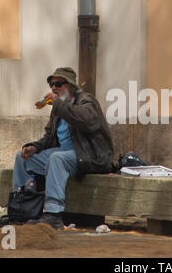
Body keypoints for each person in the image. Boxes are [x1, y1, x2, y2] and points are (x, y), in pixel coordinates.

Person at [12, 67, 114, 229]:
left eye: (58, 84)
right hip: (65, 154)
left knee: (57, 158)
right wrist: (35, 148)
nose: (54, 88)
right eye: (52, 84)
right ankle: (21, 208)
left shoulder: (86, 101)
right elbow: (49, 138)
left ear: (70, 86)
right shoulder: (58, 108)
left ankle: (53, 214)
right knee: (22, 157)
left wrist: (59, 104)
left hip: (90, 156)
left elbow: (88, 121)